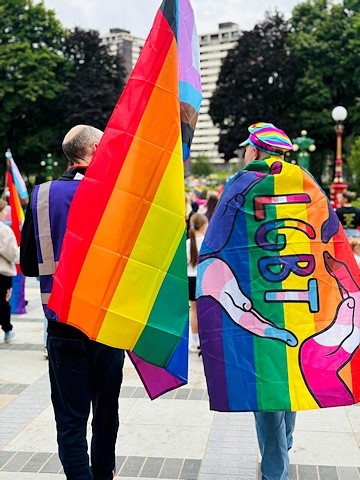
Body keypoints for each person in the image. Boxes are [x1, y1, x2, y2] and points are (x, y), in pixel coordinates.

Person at [20, 125, 125, 480]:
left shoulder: (42, 196)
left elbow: (31, 264)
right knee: (106, 412)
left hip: (62, 320)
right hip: (108, 319)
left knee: (70, 419)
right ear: (95, 148)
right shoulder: (116, 194)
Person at [197, 123, 298, 480]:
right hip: (296, 304)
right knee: (286, 384)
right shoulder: (304, 186)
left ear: (254, 151)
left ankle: (275, 470)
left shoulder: (240, 185)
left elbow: (216, 245)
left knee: (267, 391)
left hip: (256, 302)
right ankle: (280, 455)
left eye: (246, 150)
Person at [186, 213, 208, 352]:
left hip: (190, 278)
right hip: (203, 279)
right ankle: (205, 340)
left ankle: (195, 341)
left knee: (193, 311)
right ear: (204, 226)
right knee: (204, 311)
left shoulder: (188, 242)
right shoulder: (206, 242)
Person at [0, 198, 19, 343]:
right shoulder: (4, 231)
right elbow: (12, 253)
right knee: (3, 302)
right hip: (3, 273)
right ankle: (7, 329)